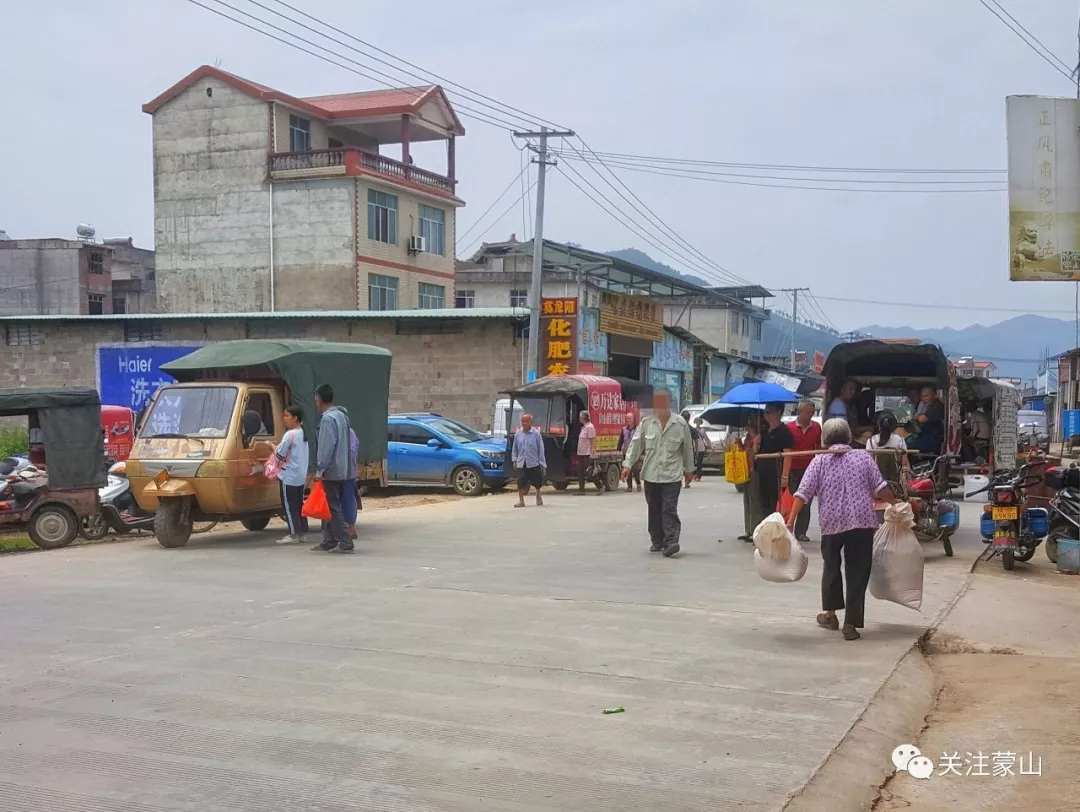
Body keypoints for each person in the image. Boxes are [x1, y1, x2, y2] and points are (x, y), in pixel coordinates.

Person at [787, 418, 898, 641]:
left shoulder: (819, 461)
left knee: (831, 567)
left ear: (825, 438)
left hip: (832, 523)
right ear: (848, 437)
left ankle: (830, 614)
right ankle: (850, 623)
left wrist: (790, 522)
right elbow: (881, 489)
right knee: (858, 572)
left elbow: (802, 493)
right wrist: (898, 505)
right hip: (862, 522)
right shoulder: (863, 457)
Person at [621, 388, 695, 557]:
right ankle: (657, 540)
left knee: (669, 508)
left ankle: (671, 541)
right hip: (651, 474)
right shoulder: (646, 423)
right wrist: (627, 465)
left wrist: (689, 470)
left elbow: (688, 449)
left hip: (672, 474)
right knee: (654, 508)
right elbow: (636, 445)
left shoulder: (680, 424)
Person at [311, 383, 355, 554]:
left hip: (332, 470)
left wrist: (320, 469)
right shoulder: (342, 416)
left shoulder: (328, 419)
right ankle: (329, 540)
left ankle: (345, 541)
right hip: (344, 468)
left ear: (319, 399)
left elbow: (326, 447)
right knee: (332, 505)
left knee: (333, 507)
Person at [787, 399, 822, 543]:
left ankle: (801, 532)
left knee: (806, 501)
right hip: (792, 469)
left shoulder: (816, 427)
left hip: (809, 469)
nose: (811, 415)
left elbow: (818, 447)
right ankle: (788, 527)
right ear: (800, 412)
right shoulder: (789, 428)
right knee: (792, 500)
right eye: (809, 412)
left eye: (813, 413)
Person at [274, 405, 310, 544]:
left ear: (295, 418)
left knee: (289, 506)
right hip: (300, 475)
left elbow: (280, 454)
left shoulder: (290, 435)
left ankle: (294, 534)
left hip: (288, 475)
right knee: (299, 504)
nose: (284, 419)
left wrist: (272, 447)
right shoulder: (303, 432)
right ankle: (301, 532)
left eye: (287, 416)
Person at [756, 403, 795, 520]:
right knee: (764, 503)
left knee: (776, 503)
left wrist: (785, 476)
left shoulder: (784, 431)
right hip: (763, 472)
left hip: (776, 472)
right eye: (765, 412)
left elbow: (788, 454)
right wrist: (756, 443)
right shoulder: (764, 431)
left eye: (769, 412)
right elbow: (757, 452)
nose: (767, 415)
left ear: (778, 412)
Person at [511, 412, 547, 507]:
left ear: (530, 422)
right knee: (520, 481)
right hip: (521, 462)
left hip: (533, 462)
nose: (524, 423)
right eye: (522, 421)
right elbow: (515, 448)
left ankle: (538, 495)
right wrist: (514, 460)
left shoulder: (536, 434)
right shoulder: (518, 434)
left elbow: (541, 449)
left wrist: (542, 463)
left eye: (526, 421)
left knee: (537, 482)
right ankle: (521, 501)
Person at [737, 414, 763, 542]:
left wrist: (753, 444)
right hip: (745, 469)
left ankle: (755, 529)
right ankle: (748, 529)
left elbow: (754, 454)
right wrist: (740, 445)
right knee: (746, 500)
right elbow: (745, 452)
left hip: (754, 470)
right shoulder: (748, 437)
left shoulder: (758, 437)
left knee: (755, 502)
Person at [909, 386, 945, 455]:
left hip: (933, 441)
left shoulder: (937, 406)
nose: (924, 399)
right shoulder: (928, 407)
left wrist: (916, 418)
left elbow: (921, 419)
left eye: (926, 396)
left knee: (906, 446)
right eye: (922, 396)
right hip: (926, 438)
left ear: (934, 395)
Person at [575, 410, 605, 494]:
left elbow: (593, 440)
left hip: (587, 454)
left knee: (590, 472)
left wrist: (592, 452)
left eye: (580, 417)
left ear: (583, 418)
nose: (579, 418)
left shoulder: (590, 427)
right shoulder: (584, 427)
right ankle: (581, 490)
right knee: (579, 471)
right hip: (581, 454)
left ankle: (600, 486)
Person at [617, 412, 642, 492]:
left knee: (635, 469)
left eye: (630, 418)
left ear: (633, 419)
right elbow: (621, 440)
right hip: (626, 453)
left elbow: (641, 441)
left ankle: (638, 484)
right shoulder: (624, 429)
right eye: (627, 418)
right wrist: (618, 449)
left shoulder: (638, 429)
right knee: (627, 469)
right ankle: (629, 487)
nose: (628, 420)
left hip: (635, 453)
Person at [681, 411, 701, 488]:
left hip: (679, 450)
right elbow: (696, 440)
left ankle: (679, 482)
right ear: (689, 418)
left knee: (679, 467)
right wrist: (696, 450)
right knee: (688, 468)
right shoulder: (692, 429)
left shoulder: (677, 427)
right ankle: (686, 482)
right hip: (689, 450)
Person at [692, 416, 712, 482]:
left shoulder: (702, 430)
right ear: (695, 422)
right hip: (693, 447)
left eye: (699, 421)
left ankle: (698, 476)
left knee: (699, 463)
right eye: (697, 421)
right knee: (693, 462)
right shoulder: (693, 430)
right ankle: (695, 474)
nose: (698, 423)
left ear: (701, 423)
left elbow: (706, 439)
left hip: (701, 448)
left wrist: (710, 446)